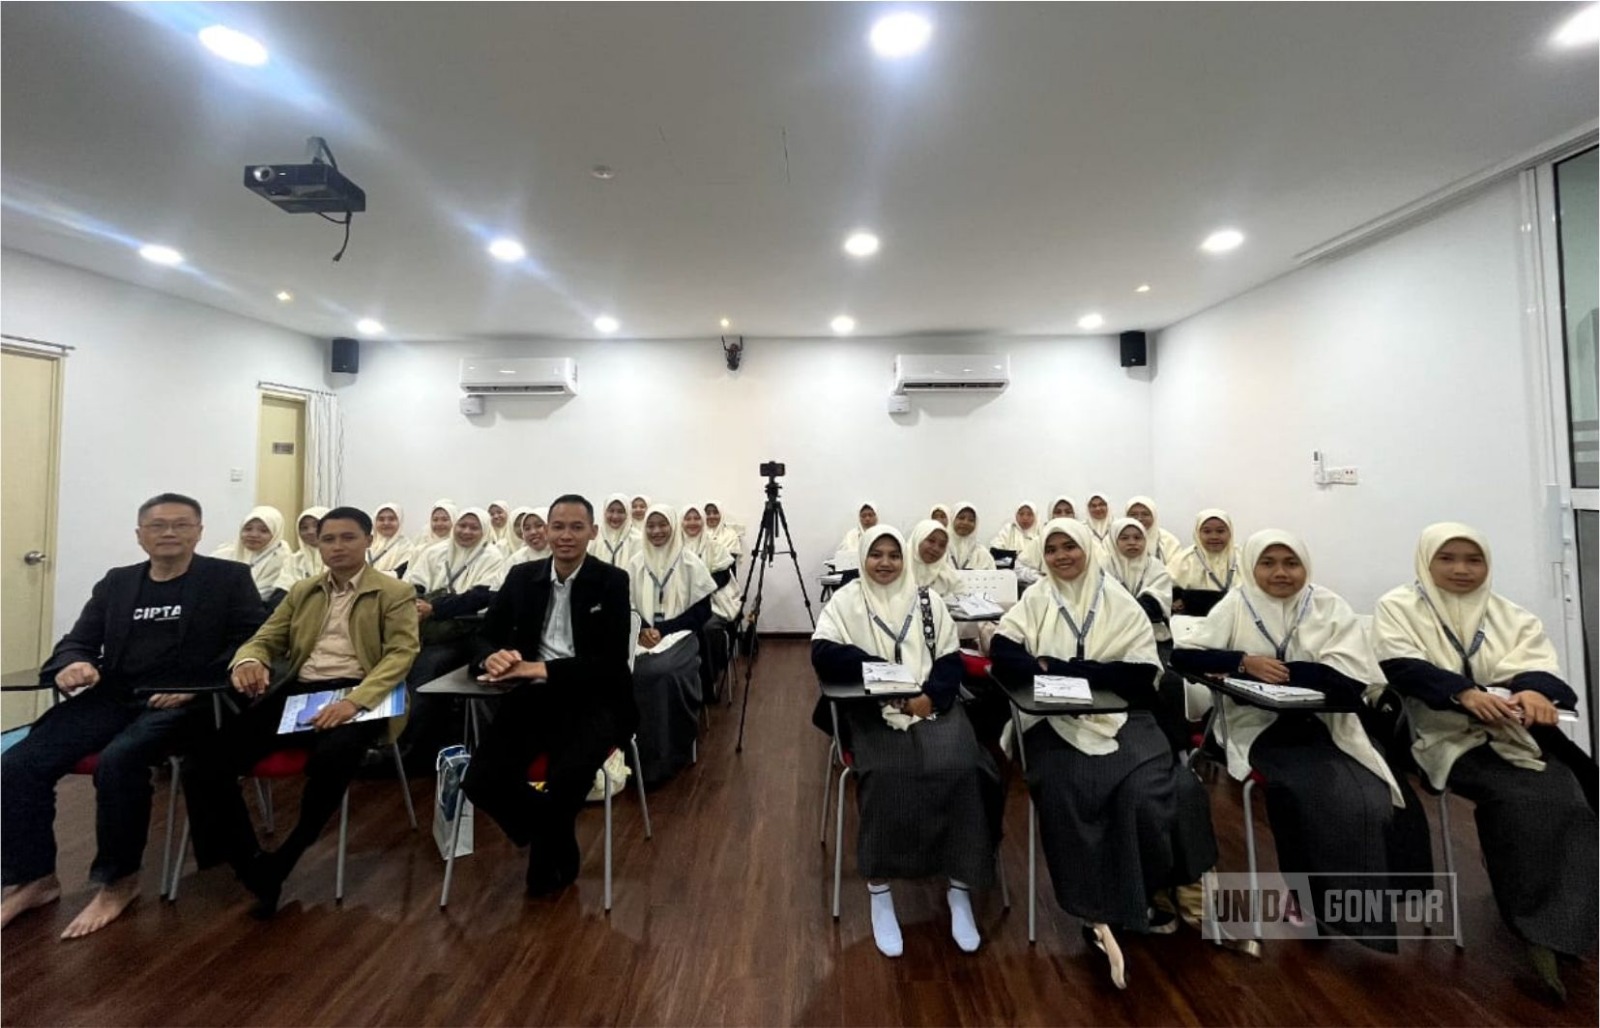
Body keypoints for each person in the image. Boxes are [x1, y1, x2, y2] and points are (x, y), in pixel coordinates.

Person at [1, 493, 264, 938]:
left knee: (119, 762)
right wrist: (73, 662)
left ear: (199, 532)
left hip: (189, 699)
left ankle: (118, 881)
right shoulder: (117, 583)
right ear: (139, 535)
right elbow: (78, 638)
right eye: (158, 525)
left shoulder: (228, 578)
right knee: (18, 763)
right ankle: (35, 878)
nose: (169, 533)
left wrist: (196, 686)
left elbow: (252, 641)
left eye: (182, 525)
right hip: (117, 694)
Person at [1171, 529, 1430, 951]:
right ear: (1252, 567)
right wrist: (1242, 661)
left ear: (1305, 566)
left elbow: (1347, 680)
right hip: (1255, 723)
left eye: (1290, 563)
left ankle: (1356, 901)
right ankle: (1312, 896)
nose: (1280, 573)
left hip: (1326, 723)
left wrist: (1284, 670)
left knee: (1374, 789)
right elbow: (1185, 655)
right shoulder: (1239, 603)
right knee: (1312, 789)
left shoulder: (1328, 606)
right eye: (1268, 563)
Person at [1374, 522, 1597, 1000]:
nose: (1460, 569)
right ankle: (1538, 934)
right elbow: (1401, 666)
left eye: (1472, 559)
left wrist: (1534, 690)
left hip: (1515, 735)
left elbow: (1541, 668)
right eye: (1447, 558)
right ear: (1426, 561)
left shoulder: (1507, 614)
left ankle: (1567, 921)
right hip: (1442, 737)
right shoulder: (1399, 608)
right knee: (1522, 803)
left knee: (1575, 800)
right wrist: (1463, 693)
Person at [990, 518, 1216, 988]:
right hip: (1054, 723)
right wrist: (1073, 671)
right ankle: (1094, 910)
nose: (1060, 556)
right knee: (1068, 788)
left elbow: (1137, 677)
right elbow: (1005, 651)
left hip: (1126, 718)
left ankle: (1151, 891)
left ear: (1087, 550)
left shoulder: (1119, 603)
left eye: (1068, 546)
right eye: (1050, 550)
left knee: (1152, 790)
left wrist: (1062, 668)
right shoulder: (1036, 599)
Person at [180, 507, 419, 919]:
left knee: (333, 758)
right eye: (329, 539)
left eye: (348, 537)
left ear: (367, 542)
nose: (337, 546)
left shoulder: (394, 592)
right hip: (302, 690)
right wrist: (248, 661)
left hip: (364, 693)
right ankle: (249, 859)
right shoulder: (304, 590)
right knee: (205, 761)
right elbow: (264, 638)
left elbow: (401, 655)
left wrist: (354, 702)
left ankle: (287, 856)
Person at [811, 526, 1001, 957]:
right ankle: (881, 889)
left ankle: (958, 885)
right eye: (875, 554)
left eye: (893, 555)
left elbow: (950, 658)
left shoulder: (927, 601)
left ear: (905, 559)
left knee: (965, 768)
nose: (884, 563)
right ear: (863, 557)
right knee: (888, 772)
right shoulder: (846, 602)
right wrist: (887, 678)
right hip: (872, 709)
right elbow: (823, 653)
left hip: (929, 704)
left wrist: (929, 695)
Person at [465, 495, 634, 895]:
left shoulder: (611, 582)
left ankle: (546, 855)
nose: (565, 536)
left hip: (596, 698)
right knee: (480, 779)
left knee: (566, 777)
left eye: (577, 527)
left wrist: (539, 667)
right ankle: (552, 834)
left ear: (593, 532)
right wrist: (492, 656)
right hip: (532, 697)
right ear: (545, 530)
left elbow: (610, 662)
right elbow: (484, 634)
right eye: (557, 526)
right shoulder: (522, 577)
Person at [399, 507, 508, 762]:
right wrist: (416, 603)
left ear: (484, 530)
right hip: (427, 630)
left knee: (426, 672)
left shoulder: (492, 556)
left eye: (474, 527)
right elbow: (413, 583)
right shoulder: (435, 552)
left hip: (468, 631)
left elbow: (482, 596)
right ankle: (392, 739)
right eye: (462, 525)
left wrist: (435, 608)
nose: (466, 531)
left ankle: (409, 749)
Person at [627, 505, 716, 786]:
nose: (656, 531)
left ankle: (667, 754)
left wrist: (663, 629)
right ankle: (630, 755)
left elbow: (703, 612)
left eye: (662, 525)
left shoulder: (690, 562)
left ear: (673, 526)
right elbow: (624, 605)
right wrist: (642, 628)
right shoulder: (635, 562)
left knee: (663, 674)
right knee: (629, 673)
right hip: (641, 636)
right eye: (650, 526)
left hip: (680, 635)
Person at [681, 504, 742, 701]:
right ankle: (684, 681)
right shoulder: (675, 546)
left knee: (707, 628)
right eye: (687, 518)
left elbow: (722, 577)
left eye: (696, 518)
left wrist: (697, 589)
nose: (692, 523)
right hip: (681, 603)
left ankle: (709, 679)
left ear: (702, 521)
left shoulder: (714, 546)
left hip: (713, 601)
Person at [1167, 509, 1241, 616]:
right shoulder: (1184, 560)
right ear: (1197, 533)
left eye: (1220, 531)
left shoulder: (1242, 557)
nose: (1214, 537)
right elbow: (1166, 590)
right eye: (1207, 531)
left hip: (1237, 619)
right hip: (1193, 623)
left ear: (1230, 532)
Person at [212, 506, 288, 602]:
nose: (253, 535)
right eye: (248, 529)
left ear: (275, 534)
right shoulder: (223, 554)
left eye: (264, 531)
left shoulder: (283, 560)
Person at [268, 506, 332, 607]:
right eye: (304, 528)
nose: (310, 531)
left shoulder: (342, 557)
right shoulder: (294, 560)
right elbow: (283, 590)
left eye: (317, 525)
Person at [1123, 496, 1183, 566]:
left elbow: (1176, 571)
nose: (1139, 519)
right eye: (1133, 515)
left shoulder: (1168, 541)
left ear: (1154, 516)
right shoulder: (1114, 540)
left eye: (1145, 514)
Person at [907, 519, 960, 597]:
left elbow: (963, 595)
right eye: (931, 541)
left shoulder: (947, 576)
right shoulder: (897, 569)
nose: (936, 548)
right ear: (918, 538)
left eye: (942, 545)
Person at [366, 502, 413, 577]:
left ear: (399, 521)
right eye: (381, 519)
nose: (386, 523)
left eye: (391, 519)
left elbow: (402, 575)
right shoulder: (366, 544)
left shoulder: (408, 548)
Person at [589, 494, 638, 567]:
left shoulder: (637, 539)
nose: (615, 516)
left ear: (628, 514)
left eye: (620, 512)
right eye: (611, 511)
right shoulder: (595, 537)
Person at [947, 502, 997, 571]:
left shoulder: (982, 554)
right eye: (961, 518)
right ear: (952, 519)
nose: (965, 523)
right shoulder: (940, 549)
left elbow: (994, 579)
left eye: (971, 520)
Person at [988, 501, 1040, 566]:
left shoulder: (1040, 532)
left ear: (1035, 516)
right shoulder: (1008, 529)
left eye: (1029, 514)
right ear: (1016, 515)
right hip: (1008, 570)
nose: (1025, 518)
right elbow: (995, 551)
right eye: (1021, 514)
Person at [702, 501, 743, 569]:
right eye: (708, 513)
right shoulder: (698, 535)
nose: (711, 516)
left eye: (715, 512)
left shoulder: (730, 535)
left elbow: (728, 562)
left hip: (723, 576)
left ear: (721, 514)